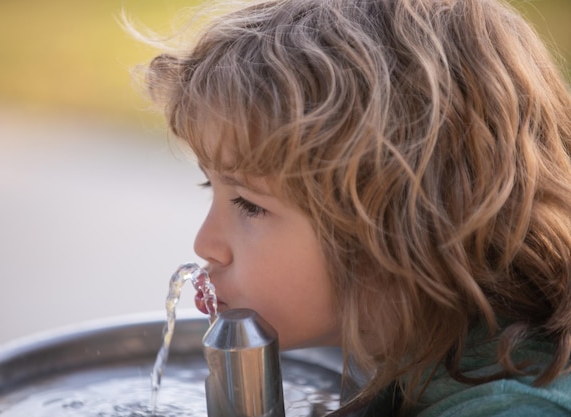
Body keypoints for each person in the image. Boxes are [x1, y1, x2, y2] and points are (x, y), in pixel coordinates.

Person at [139, 0, 571, 415]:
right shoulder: (397, 335)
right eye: (208, 185)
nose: (205, 245)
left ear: (399, 231)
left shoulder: (510, 407)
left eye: (248, 205)